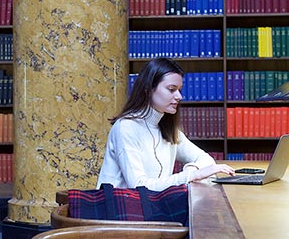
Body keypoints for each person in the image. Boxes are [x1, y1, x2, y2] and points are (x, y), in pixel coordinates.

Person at [97, 57, 235, 191]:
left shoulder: (167, 128)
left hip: (153, 207)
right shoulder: (126, 127)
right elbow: (139, 186)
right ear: (148, 89)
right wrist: (191, 175)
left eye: (179, 90)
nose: (179, 96)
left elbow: (205, 159)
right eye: (171, 89)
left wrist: (193, 169)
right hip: (123, 210)